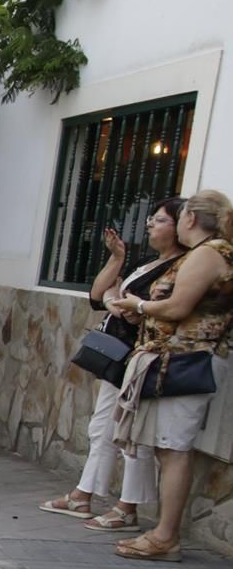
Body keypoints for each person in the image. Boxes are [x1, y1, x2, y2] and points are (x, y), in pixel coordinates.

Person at [39, 198, 186, 531]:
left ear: (180, 227)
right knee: (102, 426)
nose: (150, 224)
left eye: (160, 220)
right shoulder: (150, 263)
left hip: (143, 358)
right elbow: (100, 294)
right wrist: (117, 259)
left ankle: (126, 507)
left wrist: (122, 302)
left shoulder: (179, 268)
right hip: (121, 355)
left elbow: (140, 306)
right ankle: (83, 494)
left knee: (130, 432)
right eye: (152, 218)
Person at [106, 190, 233, 561]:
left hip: (187, 360)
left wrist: (139, 305)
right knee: (168, 446)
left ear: (190, 218)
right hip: (178, 359)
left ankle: (166, 536)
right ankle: (163, 532)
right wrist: (142, 313)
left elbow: (178, 307)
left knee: (174, 448)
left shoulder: (210, 254)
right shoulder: (207, 253)